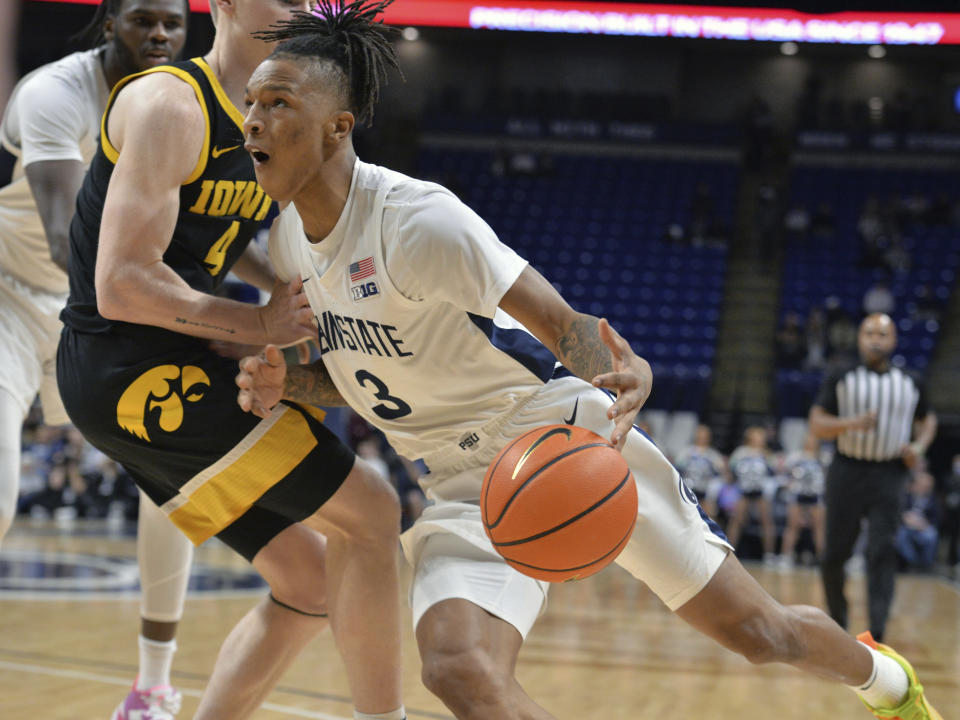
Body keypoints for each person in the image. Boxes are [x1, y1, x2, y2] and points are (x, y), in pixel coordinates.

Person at [236, 5, 942, 718]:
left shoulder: (415, 222)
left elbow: (562, 324)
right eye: (249, 105)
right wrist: (288, 383)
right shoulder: (291, 245)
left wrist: (627, 369)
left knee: (757, 632)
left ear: (338, 125)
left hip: (559, 438)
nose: (254, 121)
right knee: (456, 668)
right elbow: (368, 379)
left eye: (278, 103)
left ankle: (888, 684)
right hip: (456, 482)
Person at [55, 1, 405, 719]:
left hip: (163, 357)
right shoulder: (171, 105)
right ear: (220, 4)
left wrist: (277, 287)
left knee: (309, 584)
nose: (301, 5)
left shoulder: (268, 116)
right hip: (128, 365)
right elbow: (120, 283)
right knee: (372, 509)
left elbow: (210, 233)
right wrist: (259, 320)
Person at [0, 2, 195, 716]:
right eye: (144, 20)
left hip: (106, 303)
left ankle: (154, 687)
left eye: (174, 23)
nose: (161, 36)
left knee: (174, 475)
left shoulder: (187, 106)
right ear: (110, 22)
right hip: (14, 295)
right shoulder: (54, 92)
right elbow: (63, 237)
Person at [810, 312, 938, 643]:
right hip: (846, 470)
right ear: (859, 338)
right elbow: (817, 423)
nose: (875, 339)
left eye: (882, 334)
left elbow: (928, 420)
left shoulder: (911, 381)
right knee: (834, 555)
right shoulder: (841, 376)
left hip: (889, 474)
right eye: (869, 333)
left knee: (881, 552)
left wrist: (919, 447)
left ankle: (876, 633)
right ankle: (838, 620)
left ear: (893, 340)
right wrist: (849, 424)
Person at [724, 426, 778, 564]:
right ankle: (729, 552)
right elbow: (731, 468)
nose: (760, 439)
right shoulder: (741, 452)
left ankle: (769, 554)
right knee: (736, 521)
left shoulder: (766, 454)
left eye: (761, 437)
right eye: (757, 436)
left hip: (760, 491)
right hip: (743, 491)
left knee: (767, 522)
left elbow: (773, 470)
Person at [778, 431, 826, 569]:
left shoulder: (822, 458)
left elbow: (826, 476)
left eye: (814, 440)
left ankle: (822, 558)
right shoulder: (795, 457)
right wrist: (789, 485)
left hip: (815, 496)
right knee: (792, 526)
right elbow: (784, 473)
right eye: (808, 439)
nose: (811, 442)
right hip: (797, 495)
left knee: (819, 528)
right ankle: (785, 556)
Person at [673, 423, 725, 517]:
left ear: (709, 437)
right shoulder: (685, 452)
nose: (702, 438)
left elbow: (718, 475)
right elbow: (676, 470)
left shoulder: (713, 455)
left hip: (705, 492)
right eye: (699, 435)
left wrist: (711, 495)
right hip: (686, 490)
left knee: (709, 515)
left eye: (704, 436)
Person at [895, 471, 939, 571]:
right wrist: (905, 518)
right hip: (905, 526)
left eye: (928, 486)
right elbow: (899, 513)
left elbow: (936, 517)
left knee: (932, 535)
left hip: (923, 526)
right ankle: (913, 562)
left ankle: (926, 565)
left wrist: (925, 523)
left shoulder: (932, 499)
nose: (926, 487)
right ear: (916, 484)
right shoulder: (906, 496)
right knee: (901, 536)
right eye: (923, 485)